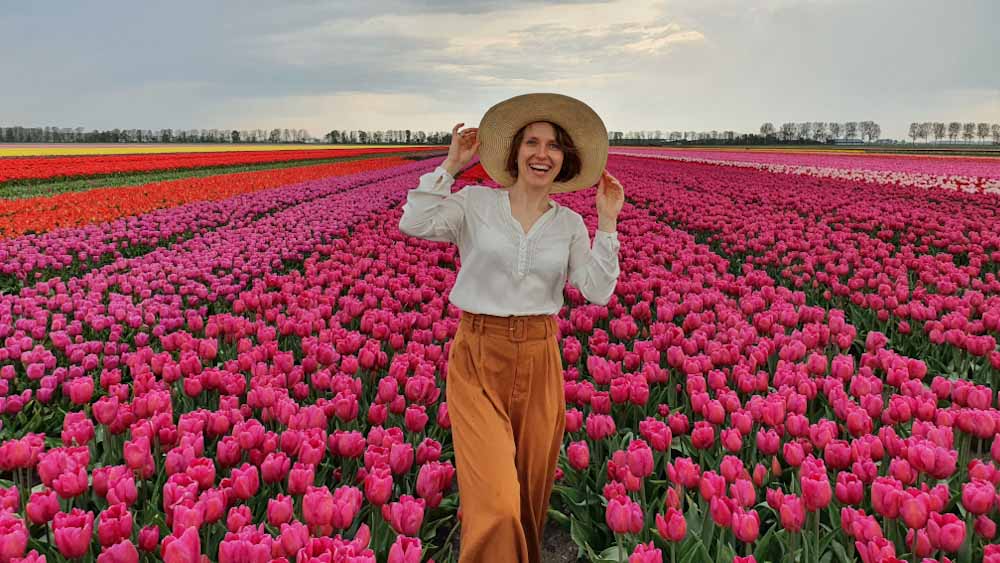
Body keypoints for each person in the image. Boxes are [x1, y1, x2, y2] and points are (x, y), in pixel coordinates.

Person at [398, 93, 624, 563]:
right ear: (514, 152)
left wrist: (607, 222)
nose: (542, 154)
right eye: (532, 143)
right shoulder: (476, 204)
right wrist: (451, 166)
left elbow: (597, 290)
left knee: (525, 504)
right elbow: (414, 222)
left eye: (553, 146)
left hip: (540, 358)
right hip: (479, 355)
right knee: (497, 503)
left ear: (566, 160)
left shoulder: (570, 225)